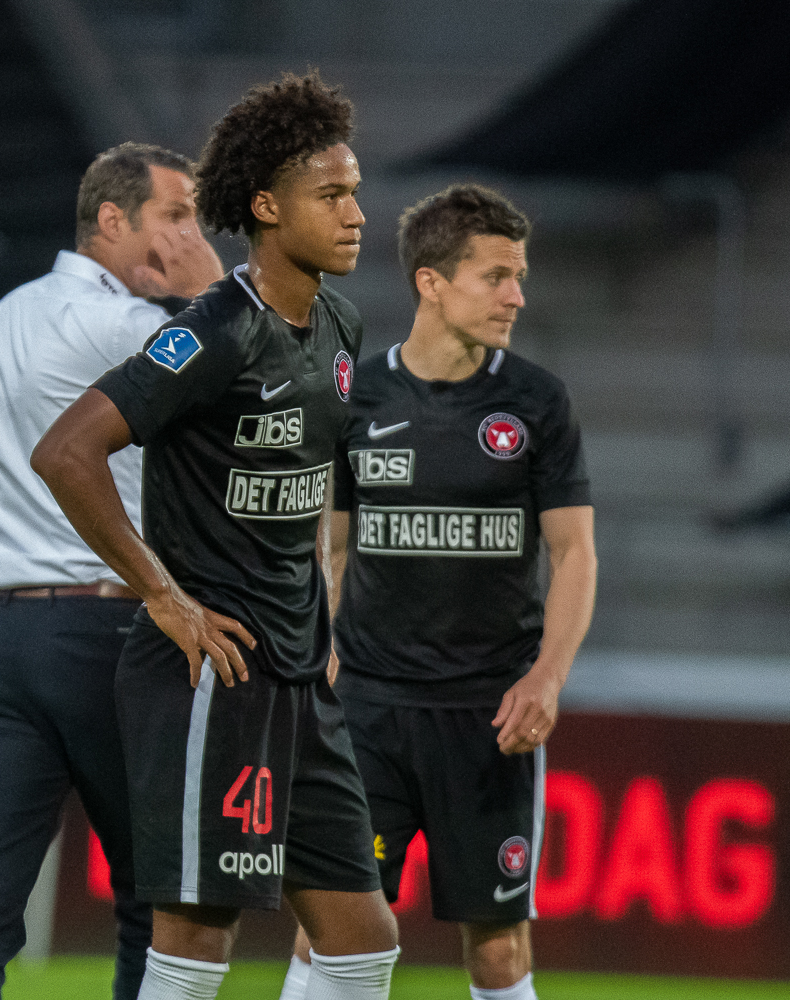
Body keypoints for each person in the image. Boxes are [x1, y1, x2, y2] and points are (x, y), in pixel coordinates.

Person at [32, 72, 400, 1000]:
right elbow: (67, 452)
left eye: (355, 191)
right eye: (332, 195)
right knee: (198, 937)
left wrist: (322, 610)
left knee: (362, 939)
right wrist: (163, 596)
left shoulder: (341, 326)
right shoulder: (213, 333)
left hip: (298, 677)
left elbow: (315, 486)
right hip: (212, 672)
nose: (357, 214)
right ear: (267, 206)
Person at [281, 184, 597, 1000]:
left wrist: (547, 678)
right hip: (367, 711)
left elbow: (574, 552)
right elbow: (328, 545)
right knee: (332, 931)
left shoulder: (536, 401)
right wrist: (316, 653)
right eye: (495, 276)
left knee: (497, 951)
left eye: (519, 276)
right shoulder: (356, 397)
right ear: (431, 281)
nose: (516, 296)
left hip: (489, 717)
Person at [0, 141, 225, 1000]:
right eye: (174, 215)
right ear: (110, 219)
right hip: (114, 629)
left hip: (6, 633)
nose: (188, 236)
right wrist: (213, 290)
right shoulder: (132, 329)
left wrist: (0, 608)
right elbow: (255, 365)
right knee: (152, 898)